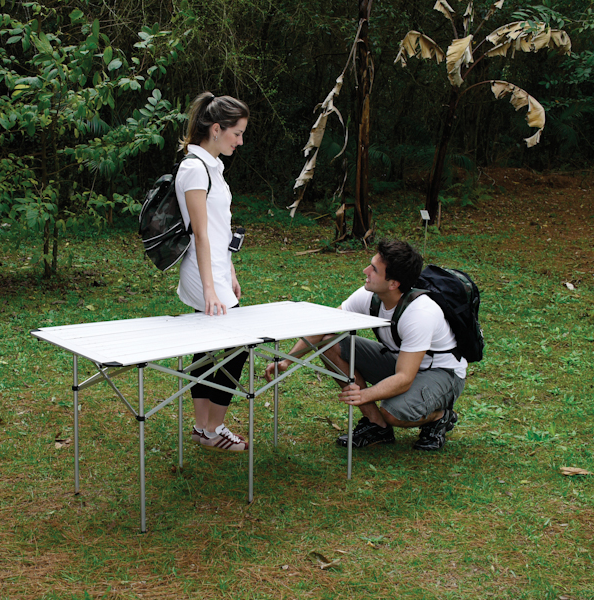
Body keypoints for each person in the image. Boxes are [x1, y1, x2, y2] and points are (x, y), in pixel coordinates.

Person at [264, 239, 466, 451]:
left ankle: (439, 416)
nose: (365, 271)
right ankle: (376, 425)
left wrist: (364, 395)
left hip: (442, 373)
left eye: (374, 269)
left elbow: (404, 378)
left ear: (393, 284)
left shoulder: (420, 314)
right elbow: (325, 326)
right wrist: (287, 361)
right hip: (402, 361)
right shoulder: (370, 295)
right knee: (328, 342)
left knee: (392, 412)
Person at [175, 91, 250, 452]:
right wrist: (208, 288)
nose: (240, 141)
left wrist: (230, 271)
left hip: (217, 268)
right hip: (200, 270)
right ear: (216, 129)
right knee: (240, 346)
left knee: (207, 349)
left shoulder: (213, 167)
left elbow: (220, 229)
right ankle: (213, 428)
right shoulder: (194, 169)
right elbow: (201, 234)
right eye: (237, 133)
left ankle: (202, 428)